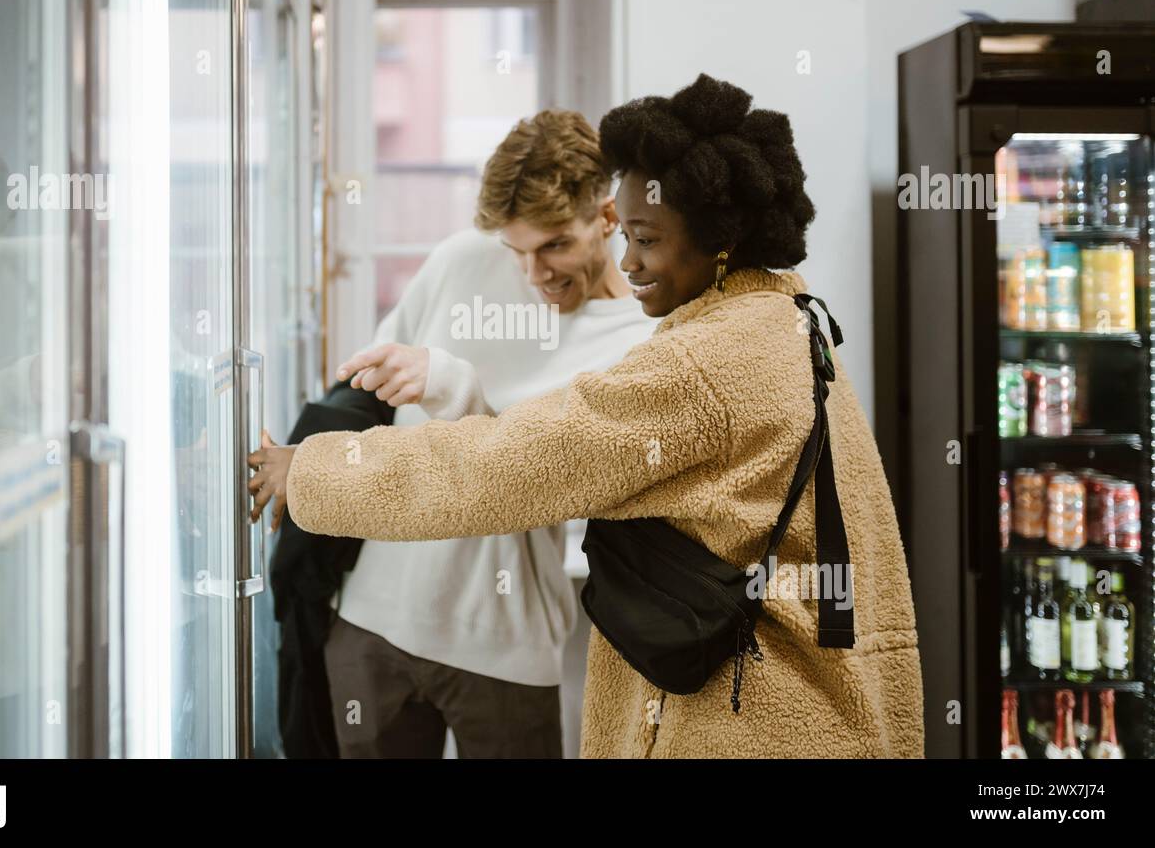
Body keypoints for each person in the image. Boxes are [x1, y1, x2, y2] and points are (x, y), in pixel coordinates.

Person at [251, 74, 924, 758]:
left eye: (647, 239)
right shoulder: (790, 314)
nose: (630, 262)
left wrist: (314, 472)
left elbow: (510, 465)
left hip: (743, 713)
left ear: (718, 237)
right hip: (788, 691)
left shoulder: (696, 363)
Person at [291, 109, 657, 758]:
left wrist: (450, 383)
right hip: (372, 620)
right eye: (517, 252)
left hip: (504, 648)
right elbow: (372, 397)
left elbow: (536, 472)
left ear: (606, 217)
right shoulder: (463, 259)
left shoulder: (638, 341)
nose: (533, 275)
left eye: (554, 246)